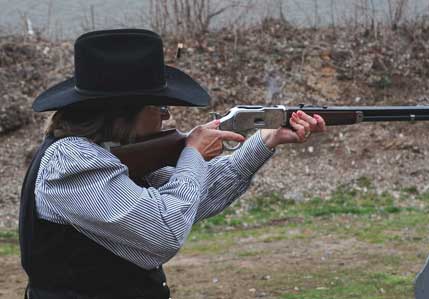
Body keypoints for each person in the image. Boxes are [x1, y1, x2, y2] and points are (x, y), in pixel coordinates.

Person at [19, 29, 326, 299]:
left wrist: (266, 140)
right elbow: (164, 230)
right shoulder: (72, 161)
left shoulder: (106, 154)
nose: (167, 116)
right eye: (161, 107)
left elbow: (192, 197)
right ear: (123, 112)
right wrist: (192, 153)